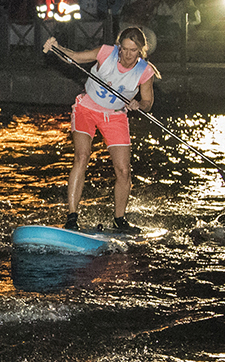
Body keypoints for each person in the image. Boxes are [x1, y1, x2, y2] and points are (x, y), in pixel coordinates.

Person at [43, 27, 160, 233]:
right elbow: (74, 58)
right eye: (123, 49)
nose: (126, 55)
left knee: (124, 170)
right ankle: (72, 217)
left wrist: (139, 105)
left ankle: (119, 219)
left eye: (133, 51)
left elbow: (148, 102)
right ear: (118, 47)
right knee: (82, 156)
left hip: (115, 115)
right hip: (86, 108)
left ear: (141, 51)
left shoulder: (145, 71)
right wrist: (56, 47)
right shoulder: (106, 52)